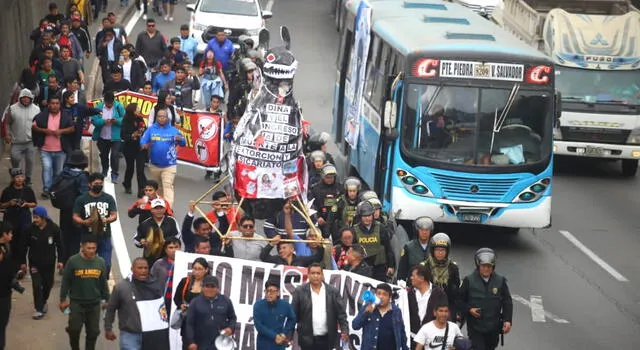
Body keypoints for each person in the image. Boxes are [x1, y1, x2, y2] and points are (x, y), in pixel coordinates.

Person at [104, 258, 170, 350]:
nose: (143, 271)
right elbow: (111, 309)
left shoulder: (156, 285)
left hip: (152, 334)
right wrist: (108, 328)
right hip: (130, 334)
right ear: (132, 269)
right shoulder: (121, 287)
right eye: (140, 268)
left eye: (145, 268)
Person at [59, 234, 110, 350]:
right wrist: (63, 299)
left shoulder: (100, 262)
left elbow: (103, 283)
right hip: (77, 303)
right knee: (74, 330)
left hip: (94, 303)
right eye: (89, 248)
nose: (91, 251)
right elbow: (66, 281)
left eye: (94, 248)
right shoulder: (73, 261)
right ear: (82, 247)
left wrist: (108, 299)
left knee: (93, 332)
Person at [459, 248, 513, 350]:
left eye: (489, 266)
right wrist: (469, 309)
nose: (486, 269)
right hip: (475, 327)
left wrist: (507, 320)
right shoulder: (468, 281)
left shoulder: (500, 281)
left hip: (493, 327)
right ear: (478, 266)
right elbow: (459, 300)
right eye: (483, 266)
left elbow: (507, 302)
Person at [291, 263, 349, 350]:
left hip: (327, 339)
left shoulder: (333, 292)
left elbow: (341, 314)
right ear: (308, 275)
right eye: (313, 273)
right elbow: (293, 315)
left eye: (318, 273)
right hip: (306, 339)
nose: (315, 276)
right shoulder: (300, 291)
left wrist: (345, 330)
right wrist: (289, 335)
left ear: (322, 275)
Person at [71, 173, 118, 277]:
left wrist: (106, 220)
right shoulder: (81, 199)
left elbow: (114, 215)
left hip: (104, 236)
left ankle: (102, 284)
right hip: (87, 236)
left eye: (101, 183)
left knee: (106, 265)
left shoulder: (108, 198)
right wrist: (84, 222)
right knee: (87, 265)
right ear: (90, 184)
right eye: (96, 183)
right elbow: (75, 216)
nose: (99, 185)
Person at [140, 108, 186, 207]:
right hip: (154, 165)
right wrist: (144, 145)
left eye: (163, 116)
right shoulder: (151, 129)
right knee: (158, 188)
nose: (161, 118)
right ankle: (159, 207)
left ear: (167, 118)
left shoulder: (173, 130)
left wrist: (180, 139)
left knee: (168, 186)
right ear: (156, 118)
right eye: (159, 116)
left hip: (169, 165)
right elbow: (143, 141)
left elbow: (183, 143)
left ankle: (168, 209)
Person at [32, 95, 75, 199]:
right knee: (47, 168)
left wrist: (61, 131)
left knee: (58, 171)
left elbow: (72, 128)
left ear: (60, 105)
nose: (54, 106)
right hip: (45, 149)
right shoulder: (42, 116)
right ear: (48, 104)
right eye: (52, 103)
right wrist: (44, 131)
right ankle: (46, 189)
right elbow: (34, 126)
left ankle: (54, 189)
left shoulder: (65, 116)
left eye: (57, 103)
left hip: (60, 150)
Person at [26, 206, 65, 319]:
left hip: (49, 263)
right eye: (34, 217)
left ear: (43, 218)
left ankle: (43, 301)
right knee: (37, 285)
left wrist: (61, 261)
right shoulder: (30, 229)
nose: (34, 220)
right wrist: (23, 263)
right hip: (34, 263)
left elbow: (60, 246)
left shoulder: (54, 229)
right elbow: (23, 246)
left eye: (37, 217)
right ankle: (38, 309)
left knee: (48, 285)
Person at [0, 168, 37, 278]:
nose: (20, 179)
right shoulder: (7, 191)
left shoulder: (28, 190)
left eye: (21, 177)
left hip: (24, 220)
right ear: (13, 179)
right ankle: (12, 268)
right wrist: (9, 203)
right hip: (11, 220)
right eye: (17, 177)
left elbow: (34, 203)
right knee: (11, 244)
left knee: (23, 244)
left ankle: (22, 267)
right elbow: (1, 205)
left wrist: (26, 204)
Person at [54, 150, 89, 263]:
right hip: (76, 211)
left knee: (64, 236)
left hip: (64, 209)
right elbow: (84, 195)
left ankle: (63, 262)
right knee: (75, 238)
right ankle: (71, 263)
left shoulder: (63, 174)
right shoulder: (82, 177)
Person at [184, 275, 236, 350]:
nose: (209, 289)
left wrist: (230, 328)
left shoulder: (226, 301)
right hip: (200, 343)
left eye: (212, 286)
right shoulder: (195, 302)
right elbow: (189, 324)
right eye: (207, 286)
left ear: (218, 288)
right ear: (202, 287)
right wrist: (191, 342)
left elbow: (232, 317)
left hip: (221, 344)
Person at [352, 283, 409, 350]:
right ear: (375, 295)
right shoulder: (367, 307)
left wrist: (405, 347)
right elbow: (355, 326)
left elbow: (401, 332)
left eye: (384, 294)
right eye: (378, 294)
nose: (381, 296)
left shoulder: (396, 311)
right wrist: (366, 314)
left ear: (390, 297)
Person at [421, 233, 461, 321]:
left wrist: (457, 311)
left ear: (447, 252)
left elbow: (456, 292)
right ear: (432, 251)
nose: (440, 253)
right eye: (437, 250)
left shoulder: (453, 268)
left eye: (442, 250)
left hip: (447, 308)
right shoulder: (424, 267)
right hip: (428, 308)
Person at [4, 89, 40, 185]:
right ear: (20, 98)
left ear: (31, 98)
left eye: (27, 98)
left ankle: (28, 178)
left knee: (30, 161)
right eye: (23, 97)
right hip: (16, 141)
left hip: (31, 141)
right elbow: (7, 123)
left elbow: (40, 124)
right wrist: (8, 134)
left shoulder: (36, 109)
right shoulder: (12, 108)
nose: (25, 99)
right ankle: (16, 176)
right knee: (14, 158)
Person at [353, 201, 395, 282]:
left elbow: (388, 248)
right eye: (364, 216)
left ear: (372, 215)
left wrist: (390, 266)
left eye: (369, 215)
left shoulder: (381, 228)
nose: (367, 218)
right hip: (361, 268)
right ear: (360, 217)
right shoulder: (355, 230)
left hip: (379, 267)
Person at [407, 265, 448, 349]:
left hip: (432, 340)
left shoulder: (439, 293)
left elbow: (444, 314)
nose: (411, 278)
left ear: (421, 278)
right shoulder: (409, 294)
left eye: (413, 276)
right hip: (413, 339)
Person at [134, 198, 181, 266]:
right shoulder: (145, 224)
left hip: (168, 258)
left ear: (165, 209)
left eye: (161, 208)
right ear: (152, 210)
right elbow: (136, 239)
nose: (159, 211)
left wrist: (165, 243)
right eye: (156, 208)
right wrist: (141, 241)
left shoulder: (172, 221)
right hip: (150, 259)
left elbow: (177, 237)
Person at [174, 258, 209, 347]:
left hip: (202, 324)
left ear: (206, 270)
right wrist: (180, 305)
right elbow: (176, 298)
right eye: (194, 268)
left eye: (200, 269)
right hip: (187, 322)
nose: (196, 272)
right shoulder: (185, 281)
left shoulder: (209, 284)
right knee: (187, 345)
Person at [91, 91, 125, 182]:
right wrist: (103, 121)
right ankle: (105, 170)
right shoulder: (99, 107)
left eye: (111, 103)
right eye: (107, 103)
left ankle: (114, 174)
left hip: (116, 137)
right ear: (104, 101)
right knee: (103, 155)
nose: (109, 105)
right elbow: (94, 121)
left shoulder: (119, 107)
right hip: (102, 136)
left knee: (114, 155)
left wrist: (116, 121)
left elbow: (125, 120)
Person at [253, 279, 296, 350]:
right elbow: (259, 326)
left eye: (272, 291)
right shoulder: (258, 305)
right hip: (263, 344)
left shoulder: (285, 305)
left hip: (279, 344)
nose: (269, 294)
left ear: (278, 293)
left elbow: (292, 319)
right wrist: (275, 336)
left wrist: (284, 333)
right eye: (267, 291)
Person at [121, 103, 147, 195]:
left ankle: (142, 189)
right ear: (133, 110)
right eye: (137, 108)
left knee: (140, 169)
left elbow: (145, 128)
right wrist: (132, 135)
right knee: (130, 168)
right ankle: (127, 184)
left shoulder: (140, 118)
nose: (139, 109)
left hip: (139, 148)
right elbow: (123, 135)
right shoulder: (126, 120)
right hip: (129, 148)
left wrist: (142, 131)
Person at [397, 216, 433, 283]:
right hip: (413, 284)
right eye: (421, 230)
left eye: (427, 230)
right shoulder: (408, 247)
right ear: (417, 231)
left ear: (430, 231)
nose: (424, 232)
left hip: (430, 284)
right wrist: (401, 282)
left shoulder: (435, 246)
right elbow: (402, 268)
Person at [309, 163, 342, 238]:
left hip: (336, 221)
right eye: (327, 177)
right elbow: (312, 204)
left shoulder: (340, 188)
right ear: (323, 176)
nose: (330, 179)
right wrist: (317, 217)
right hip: (322, 220)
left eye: (332, 177)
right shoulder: (315, 189)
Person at [150, 237, 181, 314]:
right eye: (171, 247)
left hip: (180, 302)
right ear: (165, 250)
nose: (174, 250)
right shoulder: (158, 264)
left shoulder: (187, 264)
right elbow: (150, 281)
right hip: (163, 300)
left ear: (180, 248)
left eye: (176, 247)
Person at [0, 221, 17, 349]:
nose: (11, 235)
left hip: (6, 291)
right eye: (10, 233)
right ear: (3, 234)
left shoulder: (6, 246)